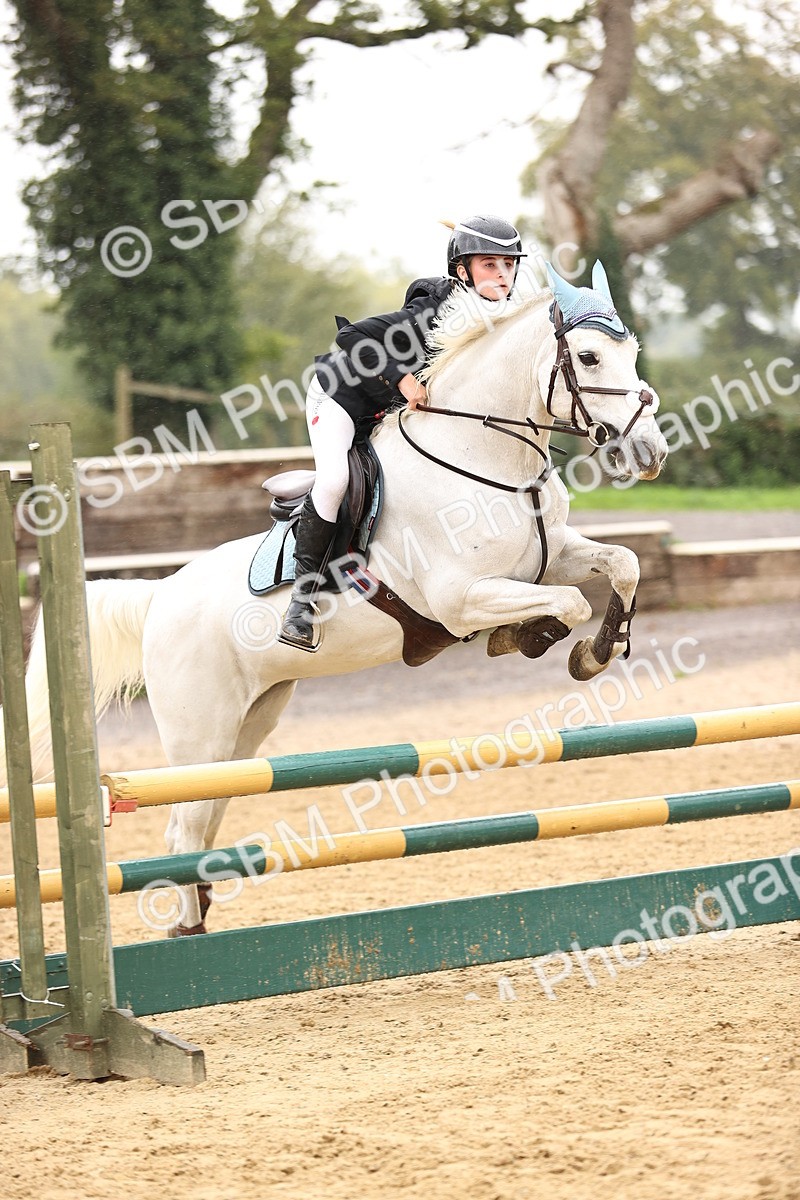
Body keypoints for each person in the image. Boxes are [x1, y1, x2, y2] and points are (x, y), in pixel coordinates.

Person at [279, 214, 526, 651]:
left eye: (509, 265)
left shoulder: (497, 319)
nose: (502, 275)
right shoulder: (431, 312)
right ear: (461, 270)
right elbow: (351, 336)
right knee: (335, 480)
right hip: (340, 398)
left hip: (387, 412)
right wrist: (403, 378)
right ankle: (302, 602)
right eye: (490, 264)